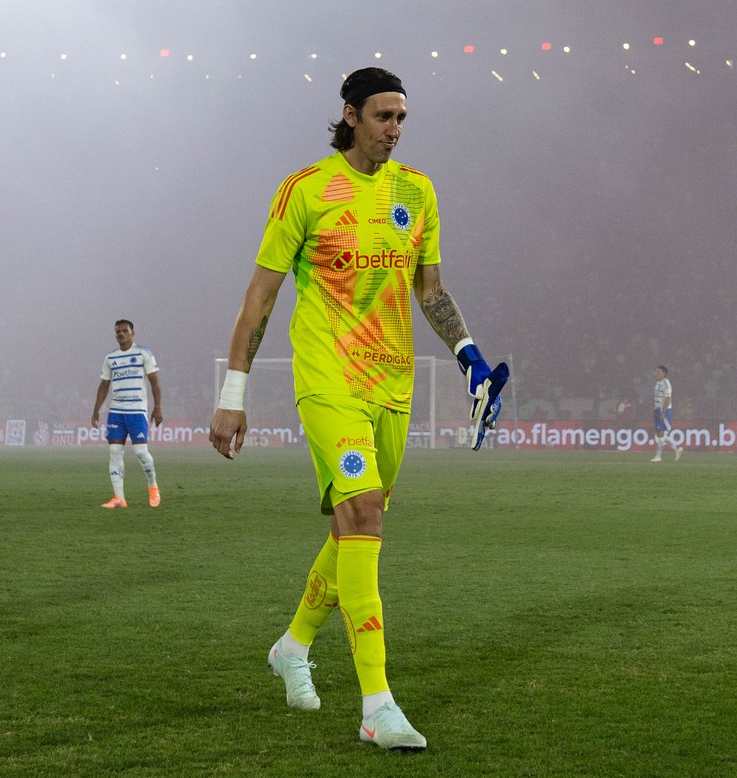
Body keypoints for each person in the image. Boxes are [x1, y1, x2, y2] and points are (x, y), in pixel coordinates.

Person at [209, 67, 506, 752]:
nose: (394, 130)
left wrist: (469, 357)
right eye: (381, 117)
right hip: (328, 376)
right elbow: (259, 297)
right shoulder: (306, 190)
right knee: (364, 512)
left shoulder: (418, 191)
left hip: (393, 384)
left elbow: (430, 287)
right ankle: (378, 705)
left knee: (356, 529)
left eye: (401, 118)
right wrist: (233, 395)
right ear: (349, 116)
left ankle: (294, 643)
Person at [91, 319, 163, 508]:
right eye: (118, 332)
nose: (121, 334)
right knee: (115, 452)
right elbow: (104, 386)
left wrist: (157, 407)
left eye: (124, 331)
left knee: (140, 451)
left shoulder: (143, 353)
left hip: (137, 410)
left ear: (133, 333)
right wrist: (96, 410)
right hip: (116, 411)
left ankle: (153, 486)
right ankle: (119, 498)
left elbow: (155, 382)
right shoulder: (110, 358)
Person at [651, 364, 682, 462]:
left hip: (664, 410)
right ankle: (676, 450)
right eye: (656, 371)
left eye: (658, 372)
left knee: (660, 433)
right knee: (659, 433)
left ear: (664, 374)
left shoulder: (666, 383)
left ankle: (658, 456)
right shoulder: (657, 383)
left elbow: (668, 399)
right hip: (657, 410)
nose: (656, 373)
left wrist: (663, 412)